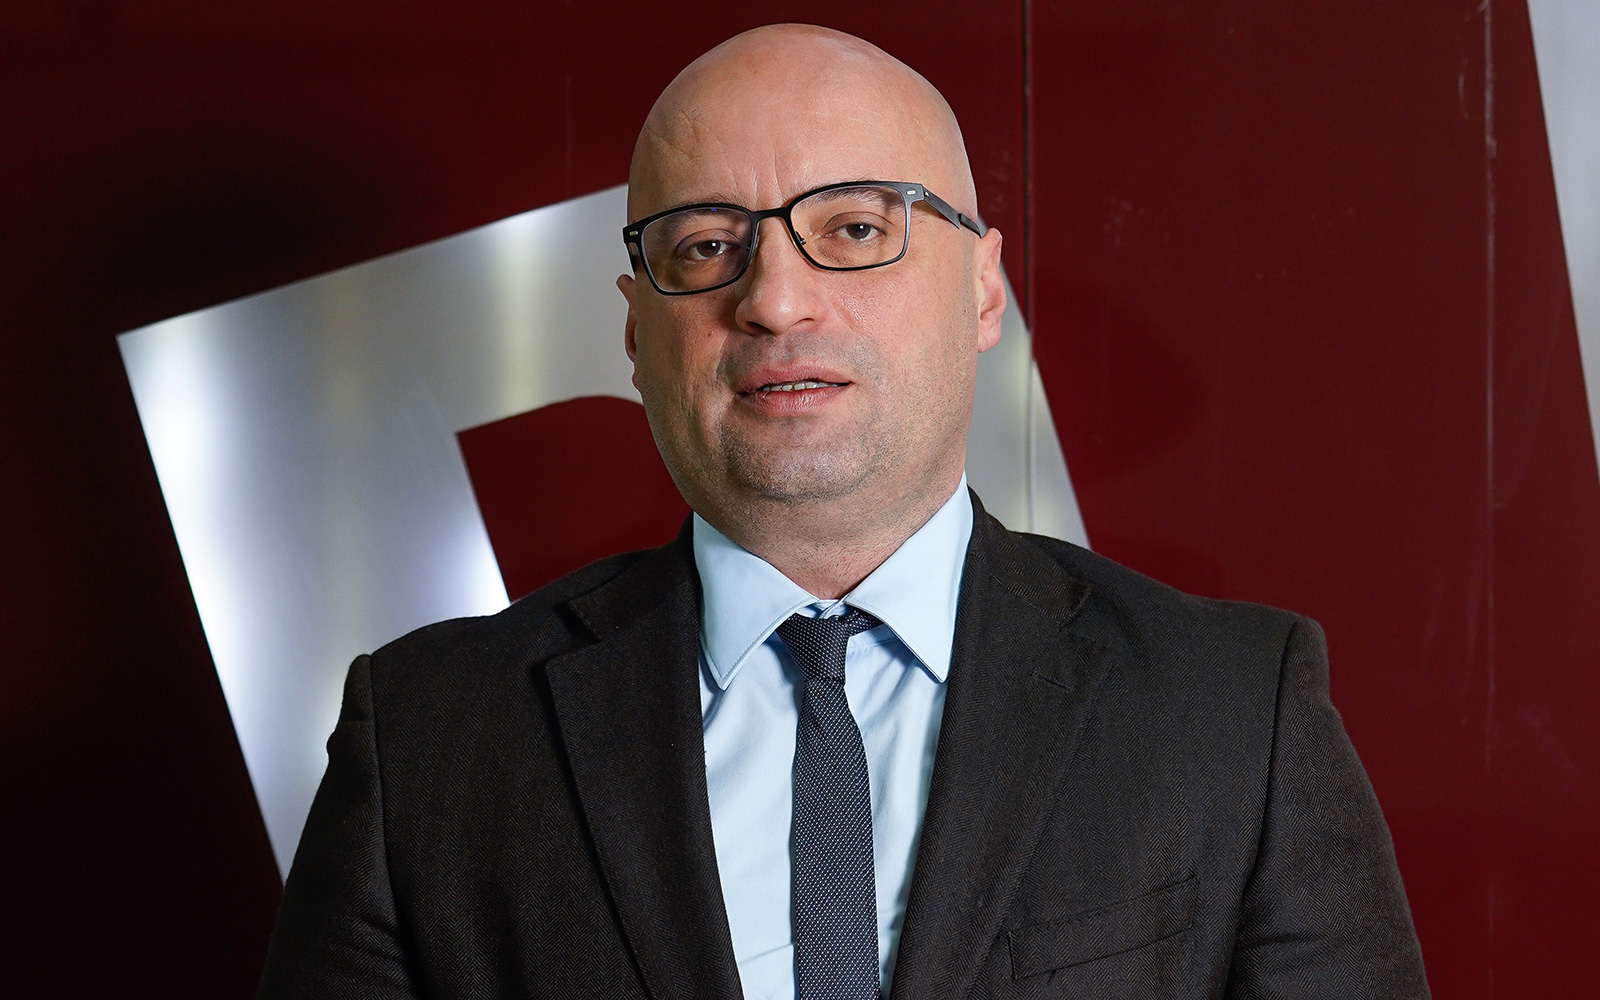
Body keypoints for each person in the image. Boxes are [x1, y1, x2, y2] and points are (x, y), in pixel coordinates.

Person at [258, 23, 1429, 1000]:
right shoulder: (429, 742)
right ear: (633, 331)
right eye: (706, 245)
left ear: (982, 290)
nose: (773, 299)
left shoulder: (1235, 711)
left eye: (856, 229)